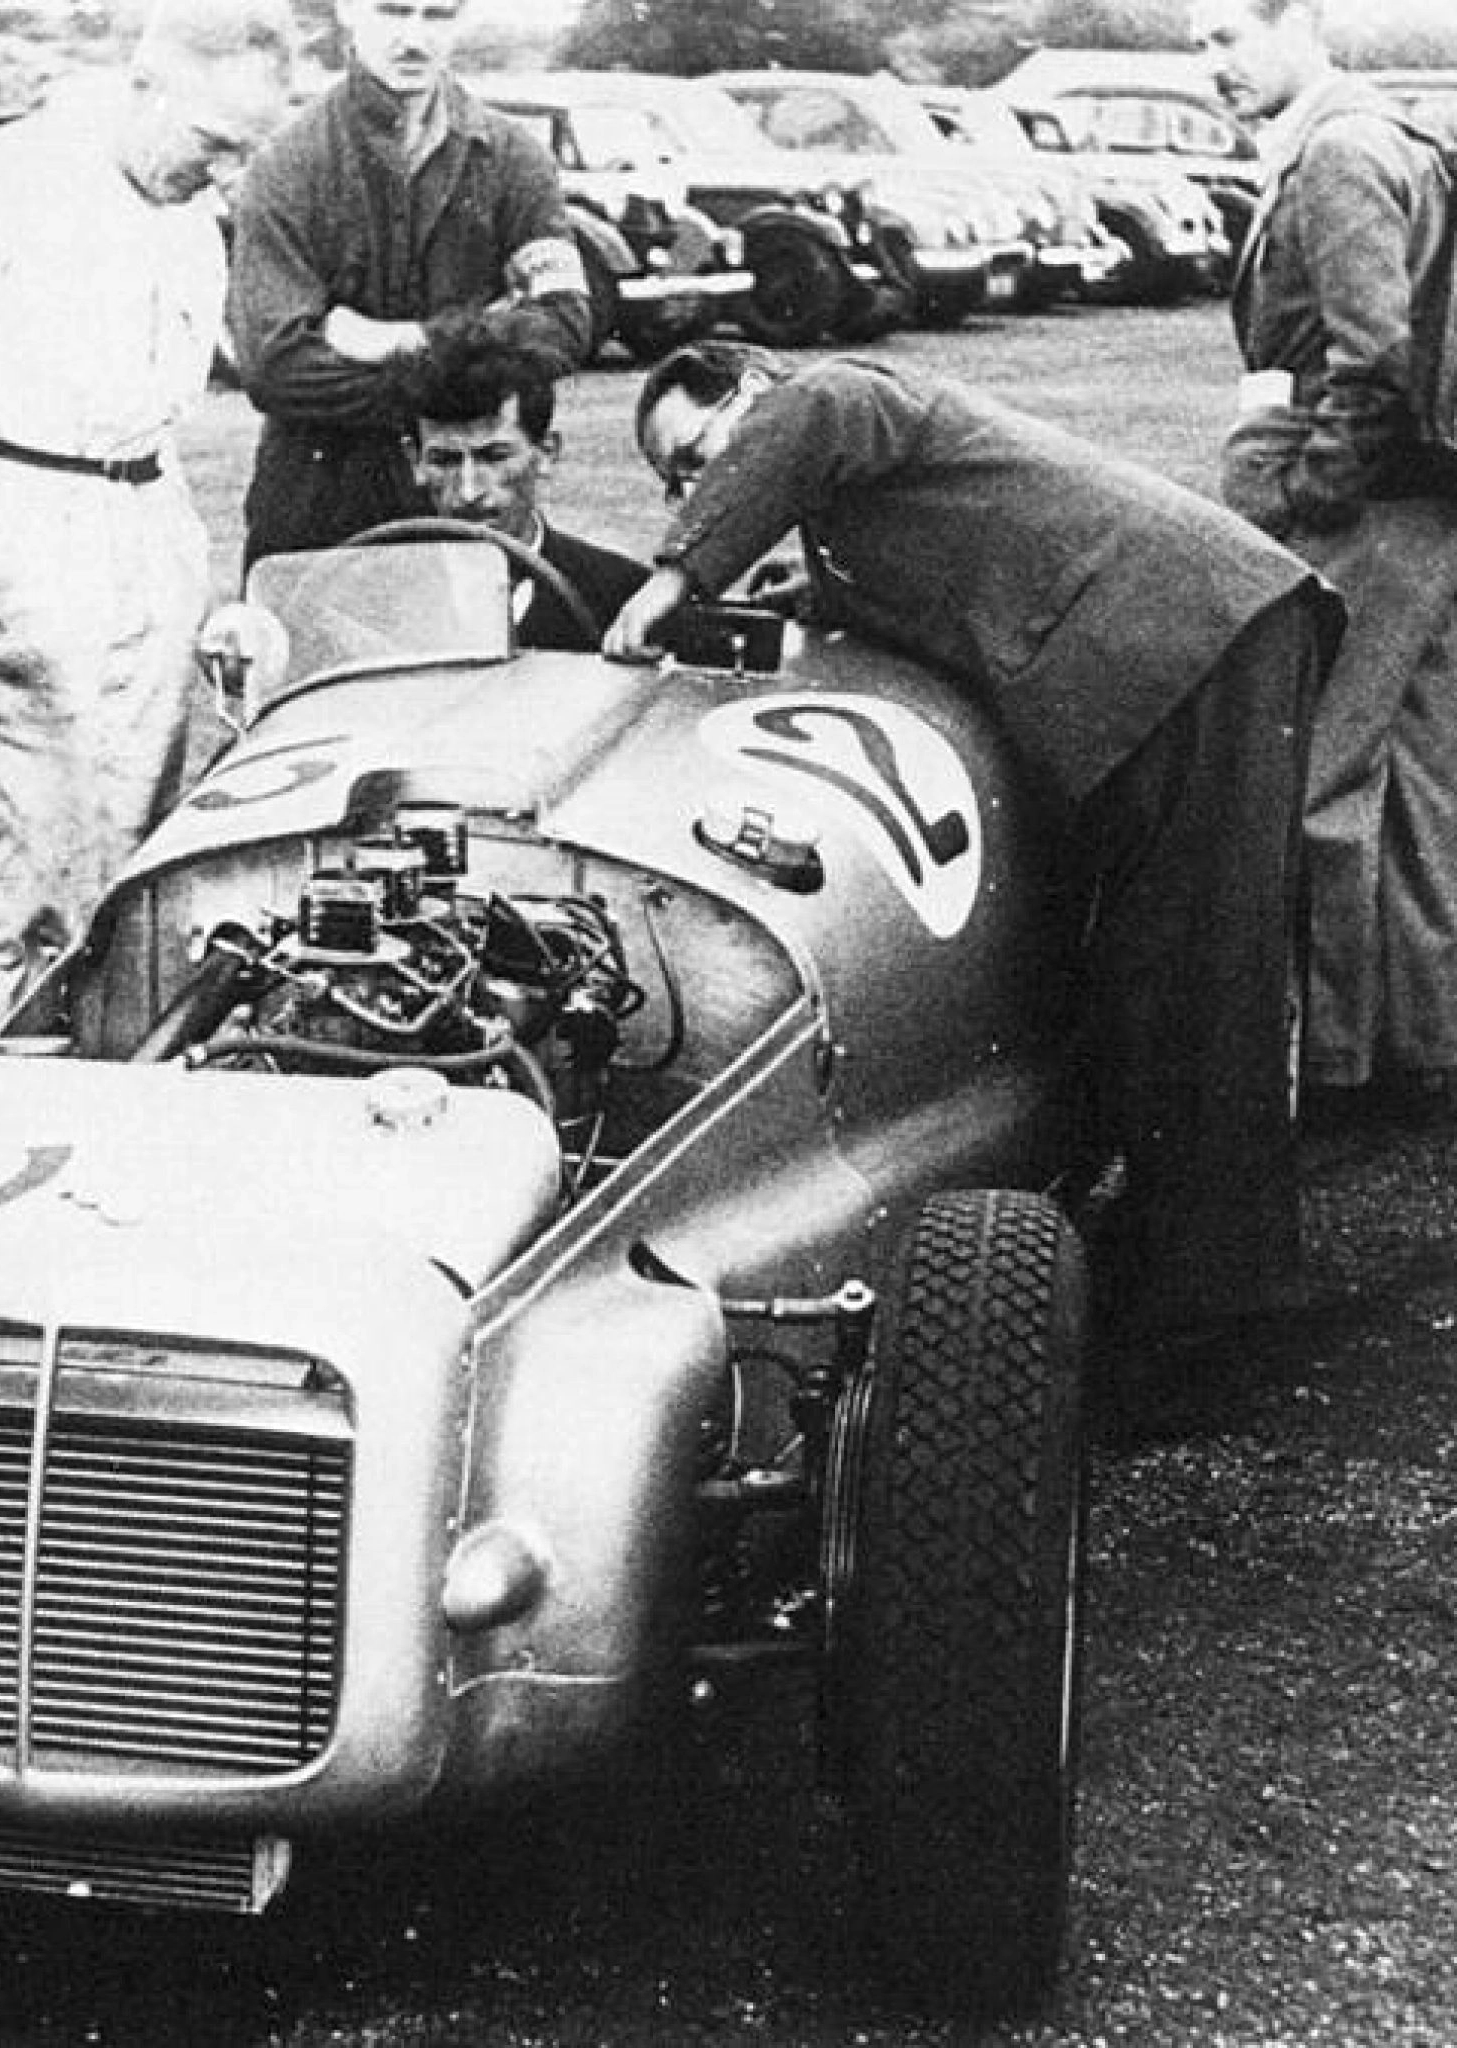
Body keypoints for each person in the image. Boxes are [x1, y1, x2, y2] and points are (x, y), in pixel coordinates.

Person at [606, 343, 1343, 1380]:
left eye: (694, 458)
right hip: (1181, 648)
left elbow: (814, 417)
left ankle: (1214, 1323)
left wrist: (675, 577)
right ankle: (1184, 1274)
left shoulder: (834, 393)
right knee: (1160, 976)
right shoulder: (854, 499)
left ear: (754, 392)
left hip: (1197, 636)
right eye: (671, 483)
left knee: (1198, 983)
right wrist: (801, 592)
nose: (689, 490)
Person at [0, 0, 294, 1106]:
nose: (222, 175)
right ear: (148, 84)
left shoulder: (188, 219)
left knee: (124, 881)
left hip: (139, 543)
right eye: (211, 142)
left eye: (242, 153)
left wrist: (180, 574)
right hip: (12, 542)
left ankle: (90, 1136)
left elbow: (158, 418)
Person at [1195, 0, 1457, 1118]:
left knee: (1322, 780)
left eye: (1226, 37)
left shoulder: (1340, 148)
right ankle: (1425, 1045)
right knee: (1421, 781)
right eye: (1197, 45)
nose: (1210, 66)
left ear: (1297, 21)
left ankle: (1340, 1062)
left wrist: (1315, 492)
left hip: (1366, 508)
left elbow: (1374, 352)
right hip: (1424, 505)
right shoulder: (1393, 133)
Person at [228, 0, 591, 571]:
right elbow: (277, 369)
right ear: (348, 10)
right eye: (394, 11)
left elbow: (564, 326)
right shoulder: (286, 164)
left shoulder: (515, 158)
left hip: (465, 494)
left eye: (437, 14)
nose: (414, 38)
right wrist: (476, 359)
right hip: (320, 496)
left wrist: (397, 340)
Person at [407, 317, 646, 650]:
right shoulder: (375, 598)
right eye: (444, 461)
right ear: (414, 461)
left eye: (494, 457)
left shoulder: (626, 598)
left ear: (546, 453)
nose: (468, 491)